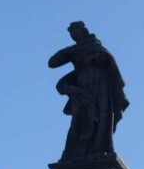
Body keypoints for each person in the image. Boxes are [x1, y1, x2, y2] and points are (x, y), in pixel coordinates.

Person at [48, 21, 129, 160]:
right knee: (78, 122)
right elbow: (52, 62)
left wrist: (97, 58)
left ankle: (103, 147)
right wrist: (71, 51)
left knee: (104, 117)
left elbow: (110, 63)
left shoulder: (97, 46)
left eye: (74, 32)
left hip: (101, 87)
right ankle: (71, 152)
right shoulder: (75, 50)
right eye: (71, 34)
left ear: (83, 31)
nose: (73, 36)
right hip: (82, 91)